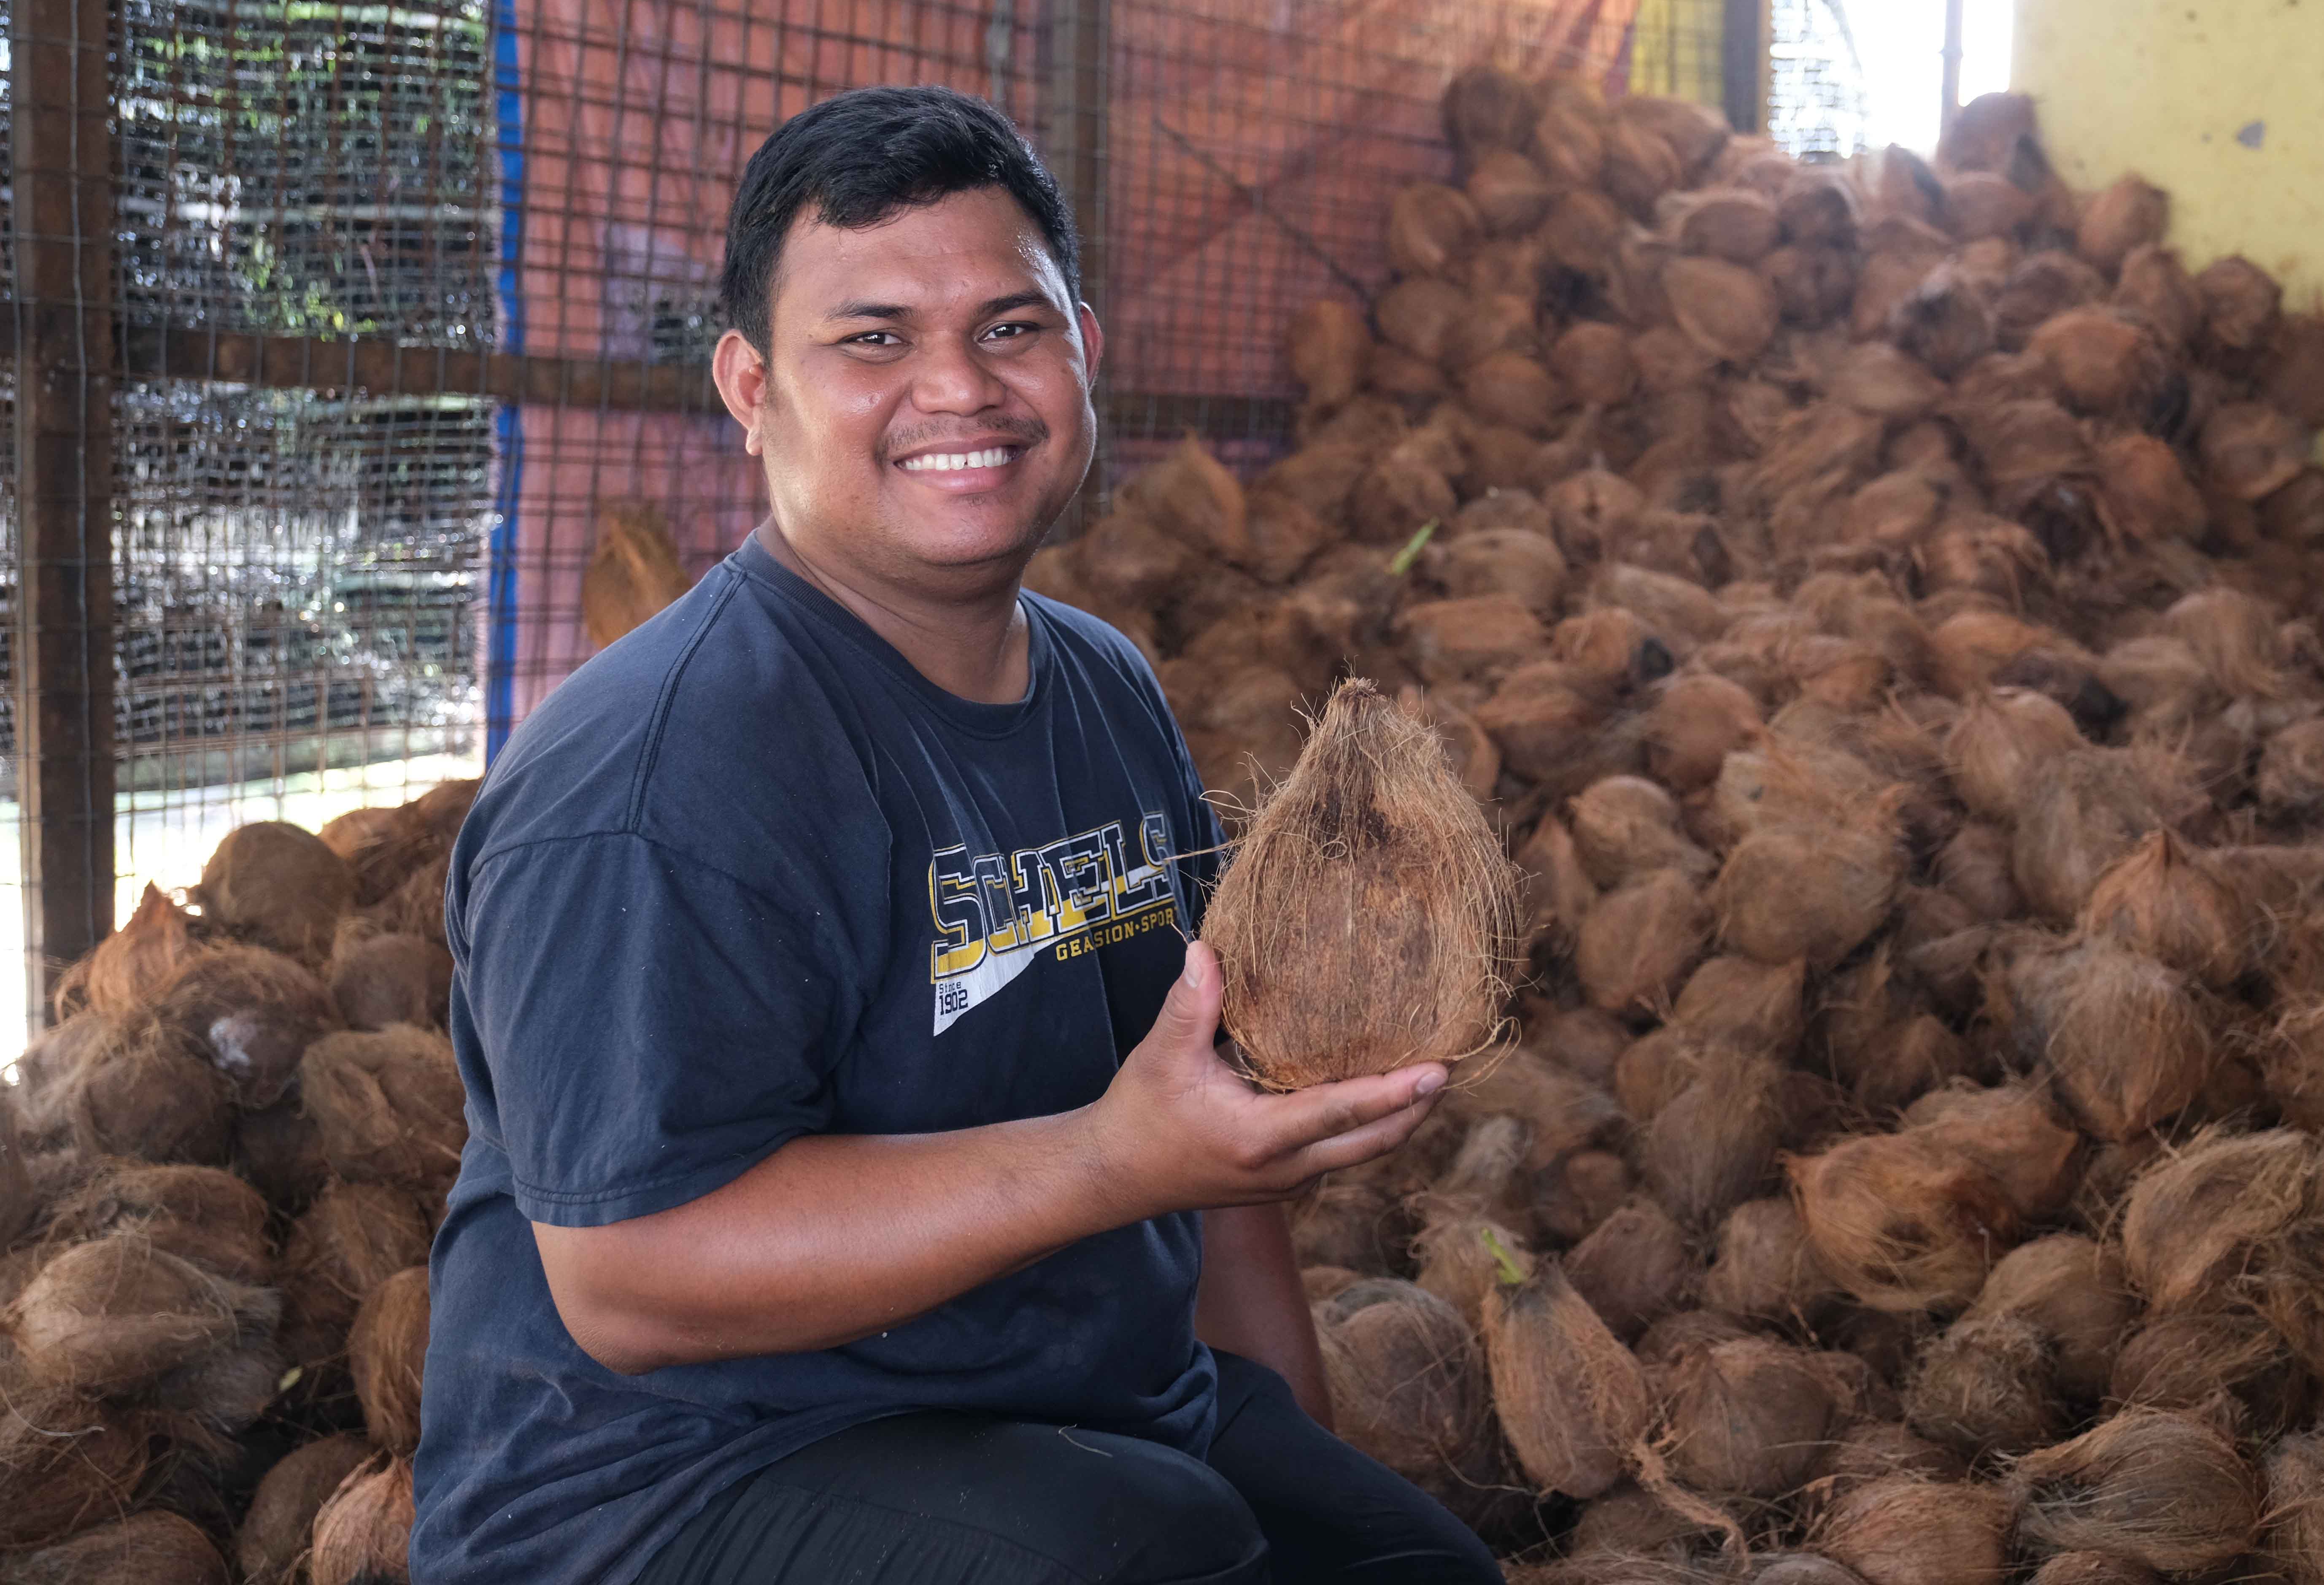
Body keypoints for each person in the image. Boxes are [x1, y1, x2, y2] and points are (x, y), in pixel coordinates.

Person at [410, 86, 1506, 1585]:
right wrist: (1114, 1163)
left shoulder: (1104, 685)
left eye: (1010, 328)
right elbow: (631, 1281)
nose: (959, 389)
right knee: (1154, 1555)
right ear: (748, 388)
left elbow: (1202, 1109)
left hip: (1067, 1415)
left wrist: (1286, 1456)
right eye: (872, 339)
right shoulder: (659, 781)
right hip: (673, 1488)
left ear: (1084, 355)